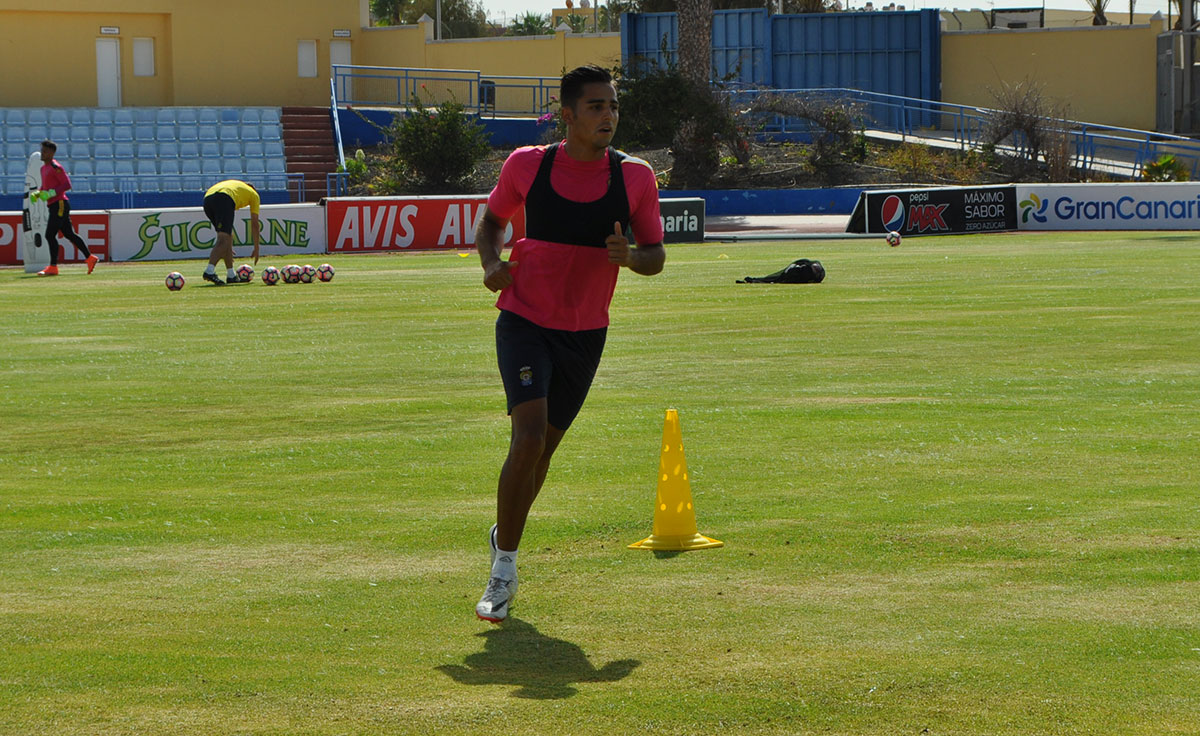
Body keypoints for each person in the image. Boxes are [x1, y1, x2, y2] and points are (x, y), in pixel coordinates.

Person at [472, 64, 666, 623]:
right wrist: (491, 263)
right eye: (596, 107)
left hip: (585, 332)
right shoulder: (527, 165)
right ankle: (503, 570)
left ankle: (502, 531)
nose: (608, 116)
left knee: (544, 453)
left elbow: (655, 254)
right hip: (524, 319)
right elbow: (491, 224)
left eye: (612, 106)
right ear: (568, 115)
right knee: (528, 438)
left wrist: (630, 256)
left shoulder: (634, 177)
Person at [36, 140, 98, 277]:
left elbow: (66, 184)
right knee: (69, 234)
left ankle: (53, 267)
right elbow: (46, 186)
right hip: (54, 204)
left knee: (49, 235)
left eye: (45, 151)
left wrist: (51, 193)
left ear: (51, 153)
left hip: (59, 204)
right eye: (42, 150)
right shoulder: (43, 168)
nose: (42, 153)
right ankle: (90, 258)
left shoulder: (55, 166)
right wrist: (39, 193)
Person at [201, 179, 262, 285]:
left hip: (207, 199)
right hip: (224, 198)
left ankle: (231, 275)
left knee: (227, 237)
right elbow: (255, 224)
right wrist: (257, 248)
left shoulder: (236, 186)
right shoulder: (254, 195)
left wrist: (227, 245)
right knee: (224, 240)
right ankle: (209, 271)